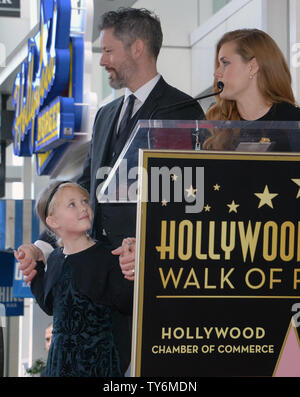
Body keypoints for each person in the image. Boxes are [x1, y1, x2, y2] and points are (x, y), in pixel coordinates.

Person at [16, 7, 205, 282]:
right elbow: (84, 185)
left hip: (149, 275)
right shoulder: (106, 114)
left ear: (137, 48)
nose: (102, 61)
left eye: (108, 51)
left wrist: (146, 248)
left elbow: (181, 198)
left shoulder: (182, 111)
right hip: (100, 278)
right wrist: (42, 245)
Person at [19, 181, 133, 377]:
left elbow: (126, 302)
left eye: (84, 201)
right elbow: (50, 304)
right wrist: (37, 267)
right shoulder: (54, 259)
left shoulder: (108, 256)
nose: (83, 207)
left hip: (98, 365)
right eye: (72, 204)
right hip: (60, 365)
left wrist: (133, 271)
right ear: (53, 222)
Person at [203, 28, 300, 151]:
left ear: (252, 67)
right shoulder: (215, 124)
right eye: (218, 65)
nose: (217, 73)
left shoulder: (293, 121)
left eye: (225, 63)